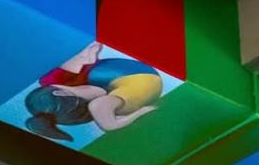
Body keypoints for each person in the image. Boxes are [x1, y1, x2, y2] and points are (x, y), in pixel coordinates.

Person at [25, 42, 161, 142]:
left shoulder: (53, 82)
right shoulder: (98, 104)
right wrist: (141, 112)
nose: (93, 96)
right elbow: (109, 125)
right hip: (140, 80)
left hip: (128, 75)